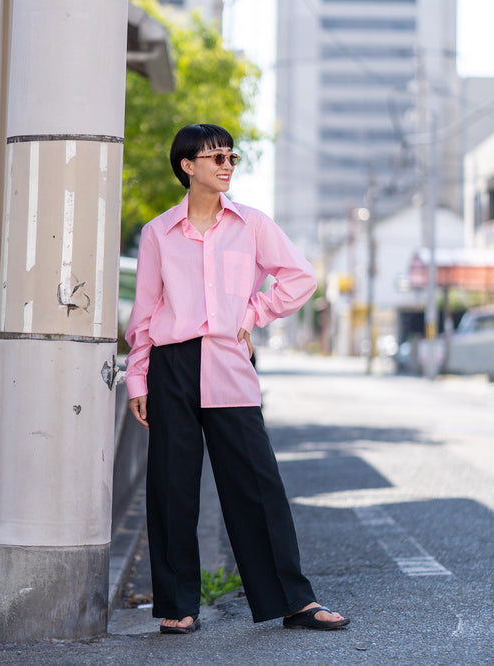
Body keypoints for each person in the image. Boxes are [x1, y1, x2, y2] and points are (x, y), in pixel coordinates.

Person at [125, 123, 350, 634]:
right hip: (172, 364)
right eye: (216, 157)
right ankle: (178, 604)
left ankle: (294, 601)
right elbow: (144, 312)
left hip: (229, 362)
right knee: (171, 487)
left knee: (257, 483)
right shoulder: (159, 232)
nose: (227, 165)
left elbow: (300, 278)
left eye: (231, 156)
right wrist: (138, 381)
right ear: (188, 166)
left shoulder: (251, 224)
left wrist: (253, 313)